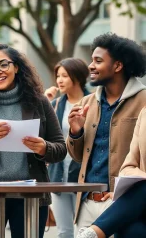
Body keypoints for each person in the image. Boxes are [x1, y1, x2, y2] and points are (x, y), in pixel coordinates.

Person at [0, 43, 67, 238]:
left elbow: (60, 148)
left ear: (16, 67)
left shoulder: (39, 101)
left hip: (31, 195)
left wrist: (43, 148)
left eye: (3, 65)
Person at [66, 33, 146, 232]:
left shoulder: (143, 101)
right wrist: (75, 131)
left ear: (118, 66)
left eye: (98, 61)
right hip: (86, 203)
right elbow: (77, 157)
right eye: (91, 60)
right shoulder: (86, 103)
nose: (90, 66)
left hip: (122, 202)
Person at [77, 107, 146, 238]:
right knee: (128, 229)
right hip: (141, 204)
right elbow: (127, 167)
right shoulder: (144, 113)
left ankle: (93, 233)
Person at [47, 58, 90, 238]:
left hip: (84, 176)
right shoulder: (55, 105)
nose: (59, 80)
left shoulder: (94, 102)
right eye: (58, 76)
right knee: (64, 232)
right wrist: (44, 102)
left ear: (78, 78)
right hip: (58, 175)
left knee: (84, 231)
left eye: (65, 75)